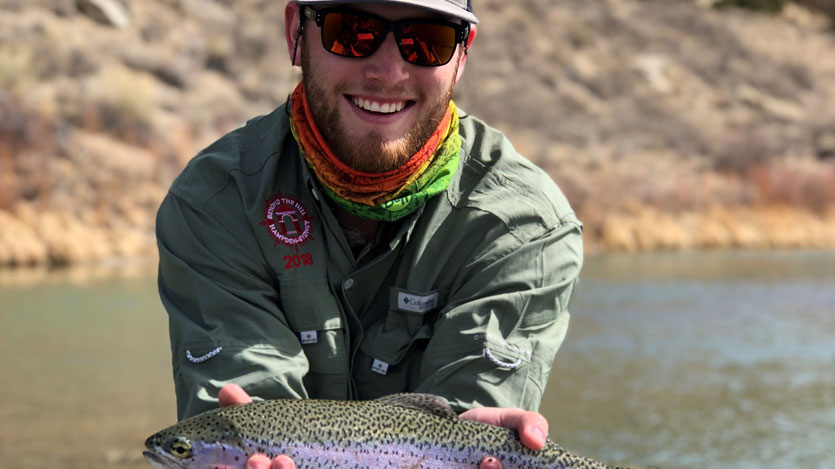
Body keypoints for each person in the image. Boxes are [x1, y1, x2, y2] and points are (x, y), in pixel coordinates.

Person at [155, 1, 583, 468]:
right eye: (352, 31)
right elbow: (248, 399)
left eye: (427, 41)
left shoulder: (524, 225)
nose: (388, 71)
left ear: (462, 54)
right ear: (296, 30)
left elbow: (471, 415)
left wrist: (467, 429)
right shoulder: (217, 201)